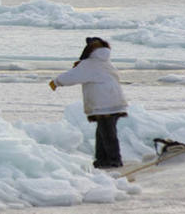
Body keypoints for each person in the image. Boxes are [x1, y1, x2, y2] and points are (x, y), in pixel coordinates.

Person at [48, 37, 128, 168]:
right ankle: (102, 159)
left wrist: (56, 82)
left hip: (103, 104)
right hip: (115, 101)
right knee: (104, 132)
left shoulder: (90, 64)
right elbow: (82, 72)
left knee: (107, 134)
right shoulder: (106, 62)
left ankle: (114, 160)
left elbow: (73, 76)